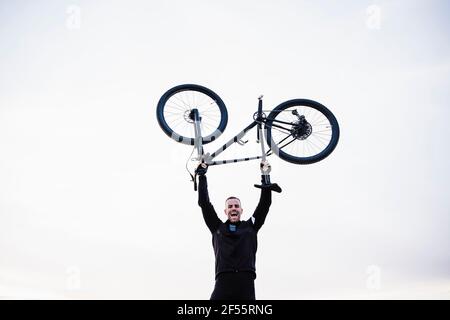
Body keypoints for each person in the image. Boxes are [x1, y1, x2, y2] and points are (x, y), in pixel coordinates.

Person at [195, 163, 281, 300]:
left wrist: (265, 175)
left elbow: (264, 204)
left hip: (245, 282)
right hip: (223, 280)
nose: (233, 208)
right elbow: (204, 204)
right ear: (225, 211)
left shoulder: (250, 226)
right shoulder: (217, 227)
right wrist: (202, 176)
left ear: (241, 210)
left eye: (236, 206)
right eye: (230, 206)